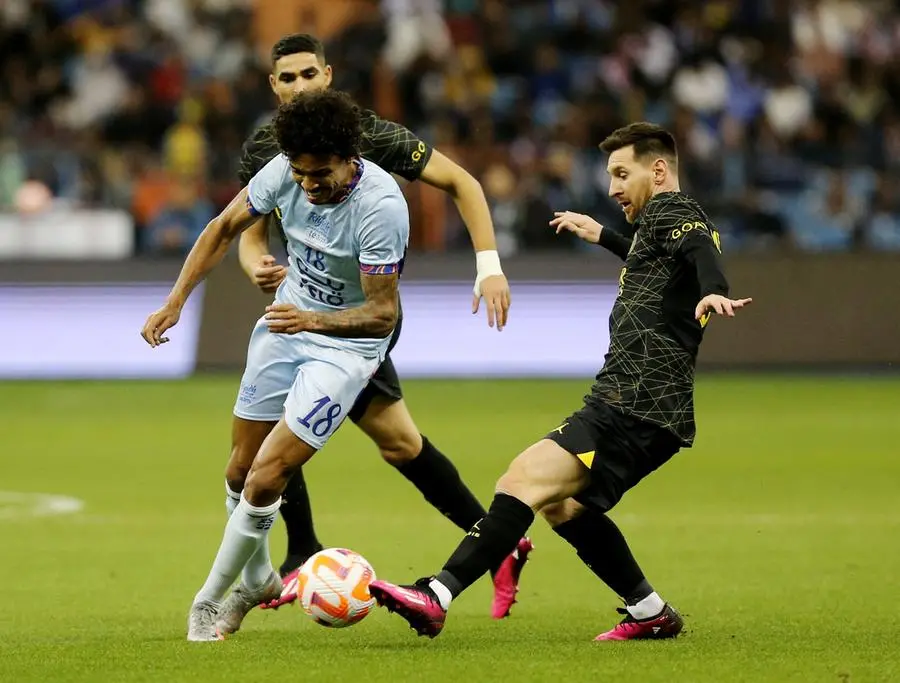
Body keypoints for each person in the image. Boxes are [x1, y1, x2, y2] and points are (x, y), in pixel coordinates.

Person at [367, 122, 753, 641]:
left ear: (659, 171)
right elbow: (660, 262)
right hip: (645, 405)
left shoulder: (673, 211)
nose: (612, 188)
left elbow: (699, 248)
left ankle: (435, 595)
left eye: (622, 174)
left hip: (633, 401)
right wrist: (604, 236)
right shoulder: (659, 225)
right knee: (563, 506)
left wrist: (715, 288)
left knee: (521, 481)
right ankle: (650, 611)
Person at [237, 33, 529, 616]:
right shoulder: (266, 148)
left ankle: (304, 552)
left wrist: (489, 266)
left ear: (328, 75)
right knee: (397, 444)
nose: (299, 85)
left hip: (357, 318)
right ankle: (496, 541)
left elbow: (463, 183)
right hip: (302, 306)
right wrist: (255, 264)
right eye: (287, 77)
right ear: (273, 85)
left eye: (309, 74)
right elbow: (250, 234)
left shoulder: (368, 135)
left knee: (302, 436)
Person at [140, 90, 398, 640]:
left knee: (266, 476)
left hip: (345, 350)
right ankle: (259, 578)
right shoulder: (283, 171)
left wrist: (313, 320)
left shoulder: (380, 207)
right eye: (300, 173)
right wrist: (175, 301)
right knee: (238, 471)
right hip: (286, 325)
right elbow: (222, 228)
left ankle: (209, 601)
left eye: (320, 173)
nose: (308, 184)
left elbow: (382, 315)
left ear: (349, 157)